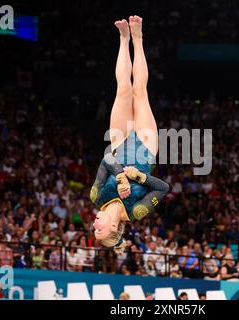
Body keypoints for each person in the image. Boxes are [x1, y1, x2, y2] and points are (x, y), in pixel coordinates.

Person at [90, 16, 169, 254]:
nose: (95, 224)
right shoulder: (137, 211)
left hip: (119, 143)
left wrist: (122, 178)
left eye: (95, 229)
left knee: (123, 89)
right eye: (99, 229)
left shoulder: (96, 196)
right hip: (145, 148)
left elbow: (107, 159)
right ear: (114, 226)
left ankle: (124, 39)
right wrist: (139, 177)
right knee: (139, 92)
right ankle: (138, 38)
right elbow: (162, 188)